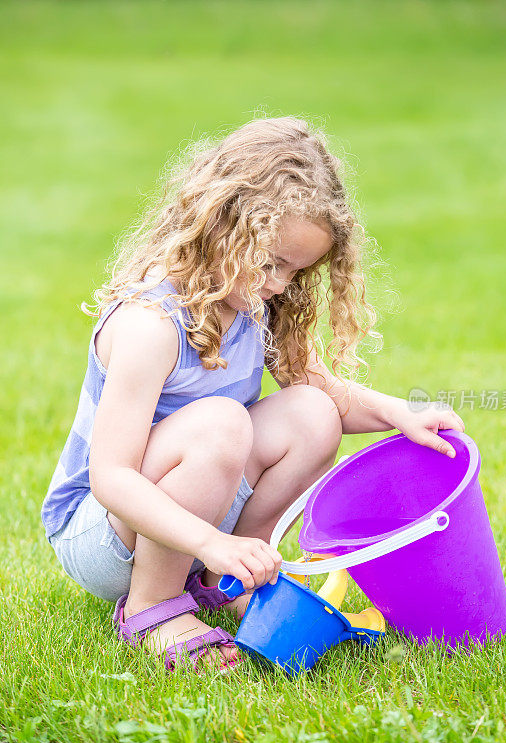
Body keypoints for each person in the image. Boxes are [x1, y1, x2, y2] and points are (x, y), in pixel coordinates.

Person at [41, 116, 465, 674]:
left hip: (194, 520)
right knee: (221, 422)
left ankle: (232, 578)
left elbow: (318, 387)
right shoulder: (151, 324)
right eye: (272, 263)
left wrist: (397, 413)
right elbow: (111, 478)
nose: (281, 283)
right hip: (105, 533)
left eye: (296, 271)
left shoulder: (250, 304)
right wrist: (209, 539)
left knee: (313, 413)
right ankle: (153, 605)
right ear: (222, 225)